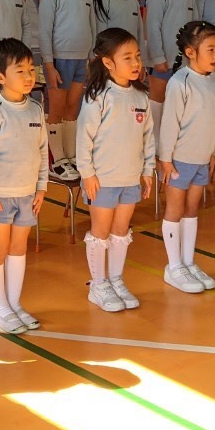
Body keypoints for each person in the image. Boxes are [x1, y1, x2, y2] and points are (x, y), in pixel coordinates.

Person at [0, 38, 49, 334]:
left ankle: (15, 304)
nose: (29, 76)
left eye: (31, 69)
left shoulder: (34, 108)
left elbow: (42, 149)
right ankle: (0, 308)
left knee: (19, 248)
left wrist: (41, 188)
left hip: (27, 194)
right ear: (0, 78)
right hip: (0, 196)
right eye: (21, 71)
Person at [77, 28, 154, 312]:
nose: (135, 63)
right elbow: (84, 138)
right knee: (101, 231)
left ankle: (116, 279)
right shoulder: (98, 96)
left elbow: (148, 137)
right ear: (108, 62)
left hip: (130, 177)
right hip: (103, 180)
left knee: (121, 230)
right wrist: (88, 174)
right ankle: (99, 285)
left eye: (137, 56)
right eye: (127, 58)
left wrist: (147, 170)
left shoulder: (140, 96)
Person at [158, 20, 215, 293]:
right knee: (174, 211)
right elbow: (169, 123)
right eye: (210, 49)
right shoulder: (180, 82)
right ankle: (173, 267)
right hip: (179, 159)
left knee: (192, 210)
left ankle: (188, 261)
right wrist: (165, 158)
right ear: (191, 52)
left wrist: (214, 152)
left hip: (203, 158)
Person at [39, 0, 96, 181]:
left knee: (74, 108)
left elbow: (92, 27)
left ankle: (72, 156)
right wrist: (49, 65)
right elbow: (44, 33)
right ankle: (58, 160)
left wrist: (92, 57)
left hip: (81, 60)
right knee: (57, 109)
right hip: (60, 61)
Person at [146, 0, 201, 136]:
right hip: (163, 60)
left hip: (185, 61)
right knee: (158, 97)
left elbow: (196, 28)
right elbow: (152, 27)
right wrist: (158, 57)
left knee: (182, 97)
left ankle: (176, 136)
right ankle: (154, 138)